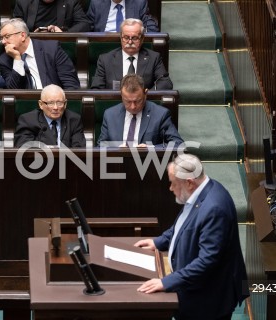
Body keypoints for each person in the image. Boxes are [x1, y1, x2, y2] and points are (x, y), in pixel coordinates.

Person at [134, 153, 249, 320]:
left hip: (210, 300)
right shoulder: (201, 191)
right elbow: (182, 226)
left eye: (173, 183)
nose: (170, 188)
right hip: (196, 291)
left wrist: (166, 282)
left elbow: (207, 261)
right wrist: (158, 242)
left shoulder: (214, 208)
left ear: (189, 183)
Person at [97, 74, 183, 147]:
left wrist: (151, 148)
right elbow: (101, 145)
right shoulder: (110, 115)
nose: (133, 106)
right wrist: (116, 150)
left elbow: (178, 144)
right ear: (121, 95)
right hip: (117, 164)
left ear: (145, 93)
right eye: (128, 101)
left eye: (138, 101)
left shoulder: (160, 114)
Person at [0, 18, 80, 90]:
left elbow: (71, 85)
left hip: (53, 104)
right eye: (1, 38)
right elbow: (12, 91)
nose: (3, 42)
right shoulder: (4, 60)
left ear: (22, 35)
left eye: (7, 37)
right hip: (26, 106)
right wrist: (17, 59)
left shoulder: (52, 49)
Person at [91, 18, 172, 90]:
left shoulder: (153, 58)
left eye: (134, 38)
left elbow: (165, 83)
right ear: (120, 37)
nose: (130, 42)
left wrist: (144, 96)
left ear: (142, 38)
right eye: (126, 37)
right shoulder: (105, 60)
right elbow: (96, 88)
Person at [14, 84, 86, 147]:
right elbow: (24, 148)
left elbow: (79, 149)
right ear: (41, 104)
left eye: (59, 103)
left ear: (65, 104)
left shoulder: (74, 120)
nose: (55, 108)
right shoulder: (28, 120)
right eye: (50, 103)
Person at [12, 0, 91, 32]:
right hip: (31, 43)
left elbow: (84, 24)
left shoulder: (70, 2)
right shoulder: (24, 2)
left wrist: (63, 34)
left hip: (59, 46)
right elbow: (15, 27)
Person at [87, 0, 158, 33]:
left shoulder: (139, 3)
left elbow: (151, 27)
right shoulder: (96, 3)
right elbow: (87, 26)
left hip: (131, 44)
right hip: (103, 45)